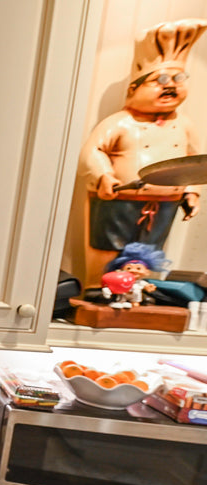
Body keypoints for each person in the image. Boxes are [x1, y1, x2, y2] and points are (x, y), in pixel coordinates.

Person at [79, 18, 207, 288]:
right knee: (108, 248)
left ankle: (144, 290)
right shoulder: (120, 123)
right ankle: (99, 289)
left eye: (178, 79)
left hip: (166, 204)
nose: (170, 86)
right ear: (134, 89)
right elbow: (93, 151)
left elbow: (194, 162)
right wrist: (104, 176)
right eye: (160, 80)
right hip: (119, 202)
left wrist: (192, 192)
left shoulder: (184, 124)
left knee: (151, 254)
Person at [101, 243, 168, 309]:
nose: (133, 270)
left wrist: (148, 287)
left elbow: (145, 286)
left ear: (147, 272)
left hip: (135, 297)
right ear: (121, 270)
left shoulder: (140, 282)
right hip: (123, 295)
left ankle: (135, 302)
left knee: (136, 300)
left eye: (138, 268)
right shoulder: (121, 280)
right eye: (129, 268)